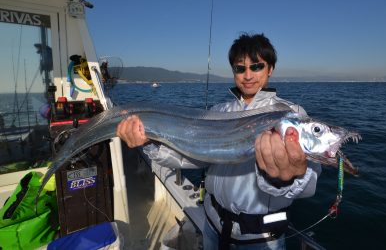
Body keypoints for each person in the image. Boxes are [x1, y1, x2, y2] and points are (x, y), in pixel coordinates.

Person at [117, 33, 321, 249]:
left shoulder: (291, 116)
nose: (248, 75)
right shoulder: (218, 112)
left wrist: (287, 177)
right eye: (240, 68)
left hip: (261, 239)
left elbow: (308, 185)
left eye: (257, 66)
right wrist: (149, 143)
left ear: (270, 68)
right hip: (212, 227)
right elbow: (192, 159)